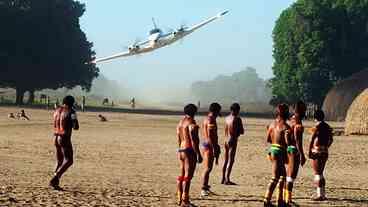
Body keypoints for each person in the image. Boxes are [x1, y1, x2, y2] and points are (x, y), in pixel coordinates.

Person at [264, 104, 292, 207]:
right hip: (279, 152)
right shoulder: (286, 127)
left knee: (282, 176)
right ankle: (266, 200)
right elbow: (288, 143)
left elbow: (268, 139)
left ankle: (280, 201)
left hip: (272, 150)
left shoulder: (271, 125)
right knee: (275, 177)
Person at [49, 95, 79, 190]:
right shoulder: (71, 111)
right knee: (69, 160)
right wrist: (74, 119)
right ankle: (55, 178)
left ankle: (55, 181)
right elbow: (76, 127)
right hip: (64, 137)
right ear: (72, 103)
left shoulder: (57, 110)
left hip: (56, 136)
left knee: (60, 161)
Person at [176, 104, 202, 206]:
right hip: (189, 150)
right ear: (194, 112)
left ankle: (179, 198)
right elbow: (193, 140)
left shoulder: (180, 123)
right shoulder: (191, 122)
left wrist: (180, 149)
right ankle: (185, 200)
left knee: (181, 175)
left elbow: (178, 136)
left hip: (181, 149)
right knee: (188, 176)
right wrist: (198, 154)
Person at [284, 101, 307, 205]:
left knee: (289, 174)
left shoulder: (291, 120)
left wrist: (288, 145)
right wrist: (302, 154)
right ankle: (287, 200)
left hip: (289, 149)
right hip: (294, 150)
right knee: (291, 175)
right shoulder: (297, 122)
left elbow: (287, 135)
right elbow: (298, 140)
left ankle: (285, 198)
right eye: (304, 109)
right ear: (300, 110)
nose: (305, 111)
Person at [308, 110, 333, 201]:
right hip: (325, 151)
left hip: (317, 151)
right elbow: (331, 139)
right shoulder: (328, 127)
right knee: (321, 173)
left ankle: (320, 195)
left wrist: (309, 151)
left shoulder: (316, 127)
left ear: (315, 118)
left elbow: (312, 139)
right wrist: (326, 147)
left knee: (317, 173)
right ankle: (322, 194)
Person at [200, 102, 221, 197]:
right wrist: (214, 148)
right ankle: (203, 188)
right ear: (216, 111)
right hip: (209, 146)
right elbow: (210, 135)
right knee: (208, 168)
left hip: (206, 145)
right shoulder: (211, 120)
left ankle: (206, 187)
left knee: (208, 168)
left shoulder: (207, 118)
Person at [221, 103, 244, 185]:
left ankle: (223, 177)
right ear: (237, 110)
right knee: (231, 160)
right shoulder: (237, 119)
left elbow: (225, 130)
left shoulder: (227, 118)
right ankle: (227, 179)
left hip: (226, 140)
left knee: (225, 160)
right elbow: (242, 131)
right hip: (233, 140)